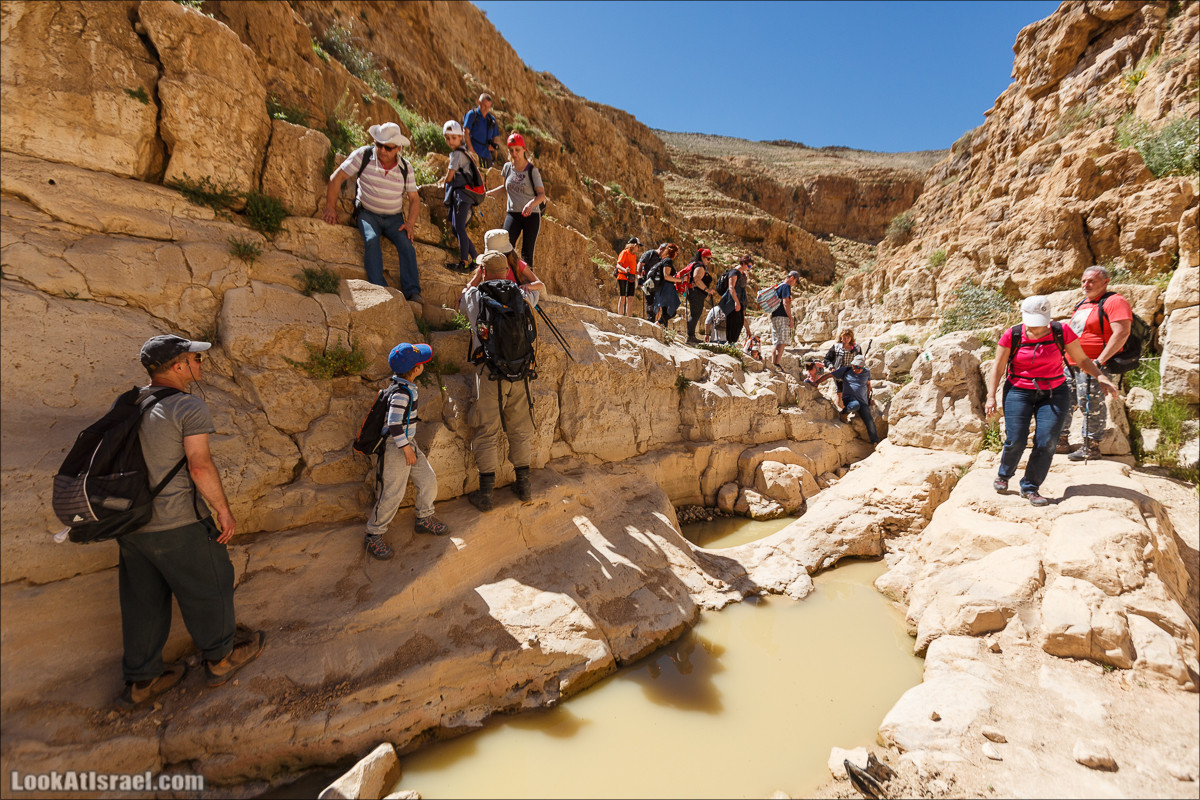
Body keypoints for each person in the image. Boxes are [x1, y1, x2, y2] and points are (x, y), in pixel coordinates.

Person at [118, 335, 264, 709]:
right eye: (196, 360)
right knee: (211, 584)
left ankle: (143, 681)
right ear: (179, 366)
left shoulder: (129, 402)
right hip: (177, 521)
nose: (201, 366)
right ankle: (220, 660)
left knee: (143, 602)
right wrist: (223, 511)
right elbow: (199, 465)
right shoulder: (187, 406)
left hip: (130, 525)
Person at [985, 296, 1118, 505]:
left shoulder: (1061, 331)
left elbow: (1082, 359)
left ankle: (1030, 486)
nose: (1037, 327)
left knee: (1047, 441)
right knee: (1016, 439)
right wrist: (990, 396)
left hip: (1054, 391)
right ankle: (1004, 474)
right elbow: (998, 367)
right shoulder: (1013, 334)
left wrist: (1100, 376)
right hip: (1019, 390)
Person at [461, 250, 541, 511]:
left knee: (487, 429)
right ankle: (525, 486)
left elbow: (462, 297)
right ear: (507, 271)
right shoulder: (521, 295)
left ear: (483, 271)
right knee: (520, 429)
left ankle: (486, 495)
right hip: (521, 372)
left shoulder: (476, 296)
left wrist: (476, 278)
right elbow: (537, 292)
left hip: (490, 372)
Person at [363, 343, 450, 560]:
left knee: (427, 479)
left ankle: (424, 518)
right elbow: (393, 425)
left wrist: (409, 447)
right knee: (392, 493)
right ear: (417, 369)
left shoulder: (405, 386)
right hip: (396, 447)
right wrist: (405, 450)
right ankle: (373, 535)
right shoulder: (401, 393)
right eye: (421, 363)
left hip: (407, 444)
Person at [322, 122, 423, 302]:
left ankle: (413, 292)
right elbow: (337, 178)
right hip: (368, 213)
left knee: (406, 245)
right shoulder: (363, 155)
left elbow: (414, 199)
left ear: (398, 148)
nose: (382, 150)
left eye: (388, 147)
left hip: (395, 218)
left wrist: (410, 224)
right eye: (378, 144)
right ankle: (379, 288)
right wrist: (330, 207)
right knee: (371, 239)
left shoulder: (406, 168)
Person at [1061, 265, 1133, 461]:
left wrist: (1100, 360)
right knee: (1063, 400)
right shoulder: (1083, 303)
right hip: (1071, 363)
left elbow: (1122, 332)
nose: (1086, 284)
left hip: (1096, 363)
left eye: (1091, 280)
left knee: (1090, 403)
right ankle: (1060, 440)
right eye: (1084, 280)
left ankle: (1090, 446)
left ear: (1105, 281)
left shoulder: (1115, 301)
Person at [489, 133, 547, 266]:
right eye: (511, 150)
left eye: (517, 150)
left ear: (524, 150)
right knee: (505, 249)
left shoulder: (532, 171)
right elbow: (504, 188)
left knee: (527, 253)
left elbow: (541, 195)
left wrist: (531, 204)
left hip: (531, 215)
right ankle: (507, 281)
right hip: (513, 213)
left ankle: (529, 285)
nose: (514, 153)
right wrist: (487, 194)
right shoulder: (507, 168)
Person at [440, 120, 482, 273]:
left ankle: (464, 263)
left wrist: (443, 184)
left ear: (460, 138)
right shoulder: (463, 152)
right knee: (456, 228)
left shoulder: (457, 154)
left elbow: (449, 177)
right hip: (463, 196)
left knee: (459, 228)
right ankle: (477, 260)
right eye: (447, 137)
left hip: (462, 197)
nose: (450, 141)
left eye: (453, 137)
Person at [812, 354, 880, 445]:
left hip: (863, 400)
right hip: (849, 398)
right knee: (855, 405)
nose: (858, 370)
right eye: (856, 367)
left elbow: (868, 385)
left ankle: (875, 441)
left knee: (869, 420)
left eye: (861, 368)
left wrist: (868, 399)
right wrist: (817, 382)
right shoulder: (846, 370)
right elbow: (829, 375)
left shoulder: (866, 372)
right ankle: (844, 413)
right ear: (852, 365)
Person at [466, 229, 546, 298]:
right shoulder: (487, 264)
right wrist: (464, 294)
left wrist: (528, 286)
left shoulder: (516, 264)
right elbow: (472, 284)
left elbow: (539, 284)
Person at [684, 248, 718, 343]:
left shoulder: (696, 265)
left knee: (695, 314)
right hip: (696, 293)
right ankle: (690, 337)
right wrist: (707, 289)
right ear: (703, 257)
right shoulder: (699, 266)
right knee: (695, 314)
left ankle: (691, 336)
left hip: (693, 292)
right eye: (708, 259)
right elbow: (696, 278)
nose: (709, 261)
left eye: (710, 259)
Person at [823, 328, 862, 410]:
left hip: (852, 374)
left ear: (851, 338)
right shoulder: (836, 347)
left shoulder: (857, 347)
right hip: (839, 374)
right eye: (844, 337)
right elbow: (826, 359)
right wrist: (831, 367)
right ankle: (841, 412)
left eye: (848, 338)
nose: (846, 340)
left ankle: (848, 411)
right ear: (841, 338)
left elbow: (860, 360)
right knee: (840, 394)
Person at [769, 271, 801, 369]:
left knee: (776, 341)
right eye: (795, 281)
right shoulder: (786, 287)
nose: (795, 284)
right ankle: (777, 364)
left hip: (774, 317)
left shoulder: (778, 286)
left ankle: (773, 364)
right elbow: (785, 302)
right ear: (792, 278)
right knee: (782, 342)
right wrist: (790, 318)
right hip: (783, 317)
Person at [720, 254, 753, 345]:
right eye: (749, 266)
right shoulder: (734, 272)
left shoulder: (743, 273)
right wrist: (736, 302)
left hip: (740, 298)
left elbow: (743, 284)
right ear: (743, 263)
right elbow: (731, 287)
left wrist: (747, 276)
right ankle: (730, 342)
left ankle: (732, 342)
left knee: (740, 321)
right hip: (733, 299)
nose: (749, 268)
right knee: (733, 320)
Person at [463, 92, 501, 168]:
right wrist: (471, 150)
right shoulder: (472, 115)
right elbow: (465, 132)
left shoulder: (491, 119)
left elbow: (494, 137)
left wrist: (493, 147)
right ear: (479, 102)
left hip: (486, 155)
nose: (486, 109)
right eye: (484, 106)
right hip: (473, 153)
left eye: (488, 107)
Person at [651, 243, 681, 326]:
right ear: (674, 252)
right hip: (667, 289)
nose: (677, 254)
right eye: (676, 252)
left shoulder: (663, 260)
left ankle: (664, 330)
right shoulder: (668, 261)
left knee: (665, 311)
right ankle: (657, 323)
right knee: (672, 312)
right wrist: (680, 280)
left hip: (662, 289)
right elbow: (666, 276)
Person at [638, 243, 668, 320]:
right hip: (647, 282)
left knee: (656, 303)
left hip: (657, 284)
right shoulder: (650, 253)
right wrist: (640, 278)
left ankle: (654, 319)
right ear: (661, 249)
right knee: (650, 301)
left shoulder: (661, 258)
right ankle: (650, 319)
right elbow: (640, 264)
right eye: (666, 252)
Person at [615, 237, 641, 317]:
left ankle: (629, 317)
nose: (638, 248)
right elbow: (618, 265)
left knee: (630, 298)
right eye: (638, 246)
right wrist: (625, 269)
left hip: (631, 278)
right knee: (623, 297)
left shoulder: (634, 256)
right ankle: (620, 316)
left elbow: (632, 269)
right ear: (634, 245)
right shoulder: (624, 252)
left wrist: (638, 272)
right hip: (623, 276)